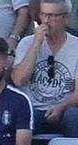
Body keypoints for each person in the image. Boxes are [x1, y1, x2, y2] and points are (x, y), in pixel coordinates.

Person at [12, 0, 78, 136]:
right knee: (19, 115)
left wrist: (61, 107)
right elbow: (18, 80)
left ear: (66, 18)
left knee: (72, 115)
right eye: (44, 15)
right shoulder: (27, 43)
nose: (47, 21)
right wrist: (36, 44)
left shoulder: (76, 46)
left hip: (64, 109)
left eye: (53, 15)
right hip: (32, 110)